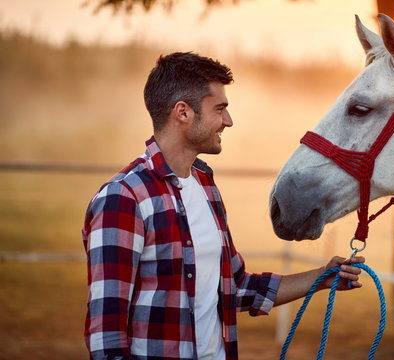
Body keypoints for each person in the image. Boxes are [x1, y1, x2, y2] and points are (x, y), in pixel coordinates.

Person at [82, 51, 364, 360]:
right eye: (220, 109)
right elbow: (106, 338)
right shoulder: (123, 198)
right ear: (183, 112)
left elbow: (236, 288)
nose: (228, 121)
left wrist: (322, 277)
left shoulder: (206, 187)